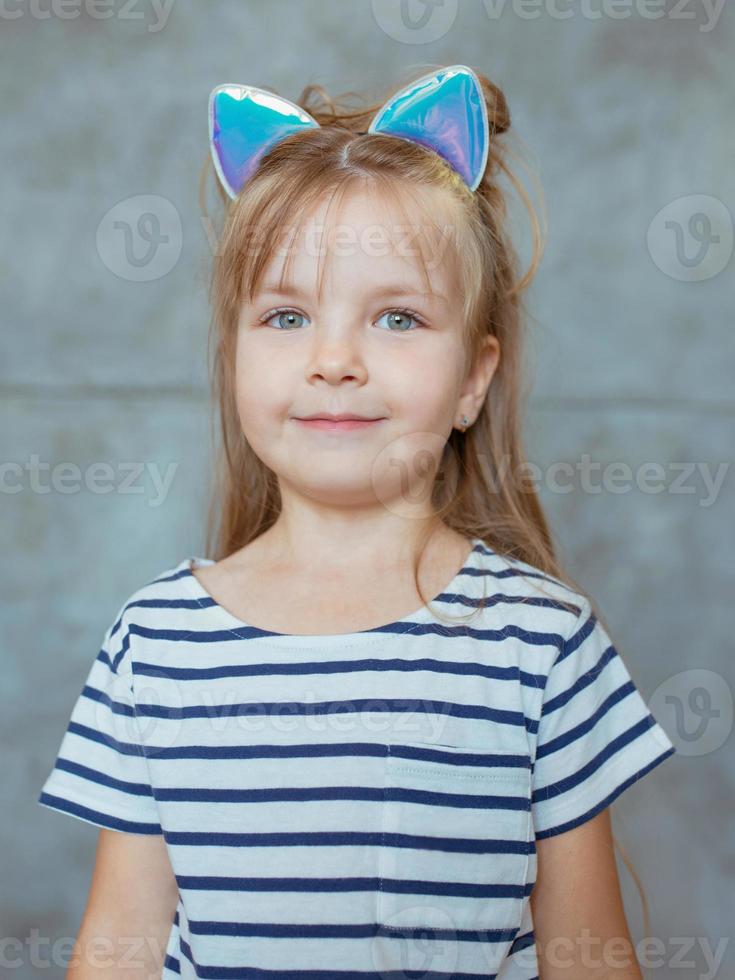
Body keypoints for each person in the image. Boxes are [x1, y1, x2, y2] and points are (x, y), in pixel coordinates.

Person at [38, 64, 676, 979]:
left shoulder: (543, 645)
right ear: (233, 359)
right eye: (287, 314)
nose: (334, 358)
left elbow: (588, 958)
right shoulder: (155, 645)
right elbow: (117, 951)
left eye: (397, 318)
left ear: (472, 379)